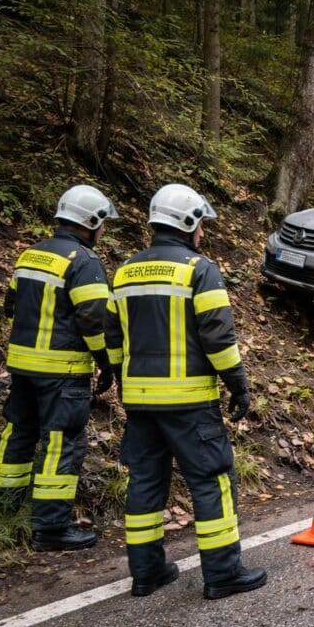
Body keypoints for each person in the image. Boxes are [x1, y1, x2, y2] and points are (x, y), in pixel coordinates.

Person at [105, 183, 266, 599]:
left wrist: (120, 379)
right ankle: (223, 573)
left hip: (139, 402)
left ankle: (147, 572)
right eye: (201, 225)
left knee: (145, 483)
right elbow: (218, 336)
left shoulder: (125, 271)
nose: (202, 234)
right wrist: (238, 384)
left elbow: (113, 338)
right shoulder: (199, 269)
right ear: (189, 222)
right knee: (212, 481)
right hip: (190, 402)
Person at [0, 184, 118, 551]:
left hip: (22, 365)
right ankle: (50, 528)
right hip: (62, 372)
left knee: (18, 434)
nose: (104, 230)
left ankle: (7, 509)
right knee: (60, 445)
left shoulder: (31, 254)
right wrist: (106, 363)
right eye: (103, 223)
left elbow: (10, 305)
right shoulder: (84, 262)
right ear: (91, 221)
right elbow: (94, 322)